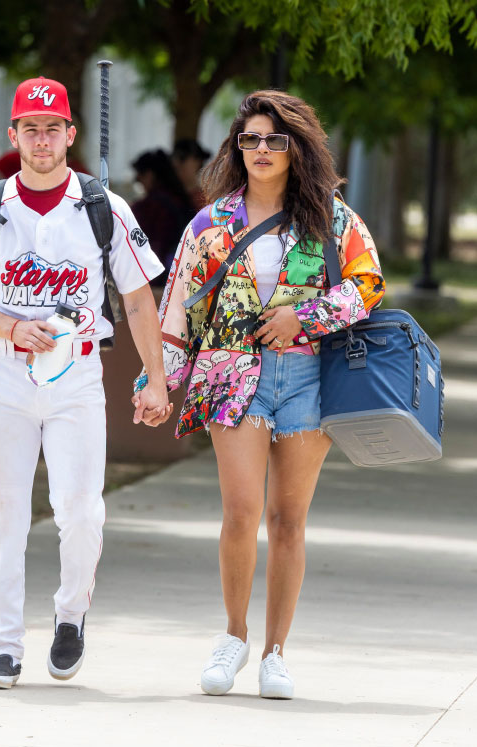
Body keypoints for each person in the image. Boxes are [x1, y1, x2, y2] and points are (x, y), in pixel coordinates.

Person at [135, 90, 385, 698]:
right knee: (241, 514)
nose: (263, 150)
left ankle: (276, 652)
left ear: (296, 147)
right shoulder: (210, 224)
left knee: (289, 521)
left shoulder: (333, 217)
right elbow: (178, 312)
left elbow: (369, 285)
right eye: (251, 139)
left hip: (310, 380)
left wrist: (308, 318)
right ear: (237, 147)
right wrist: (157, 381)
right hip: (231, 377)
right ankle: (233, 637)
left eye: (275, 139)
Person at [0, 76, 172, 689]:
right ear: (14, 136)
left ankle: (71, 615)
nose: (42, 140)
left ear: (71, 134)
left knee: (80, 511)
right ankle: (4, 646)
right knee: (5, 511)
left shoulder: (103, 207)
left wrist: (155, 377)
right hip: (6, 376)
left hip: (79, 377)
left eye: (53, 128)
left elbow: (140, 299)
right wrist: (11, 327)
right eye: (30, 129)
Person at [131, 149, 194, 285]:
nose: (139, 182)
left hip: (159, 278)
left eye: (140, 177)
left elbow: (152, 248)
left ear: (149, 175)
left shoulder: (149, 207)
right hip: (183, 275)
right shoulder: (181, 200)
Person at [171, 138, 211, 211]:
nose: (175, 163)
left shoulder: (204, 201)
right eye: (173, 157)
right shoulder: (166, 195)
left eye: (182, 157)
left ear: (197, 161)